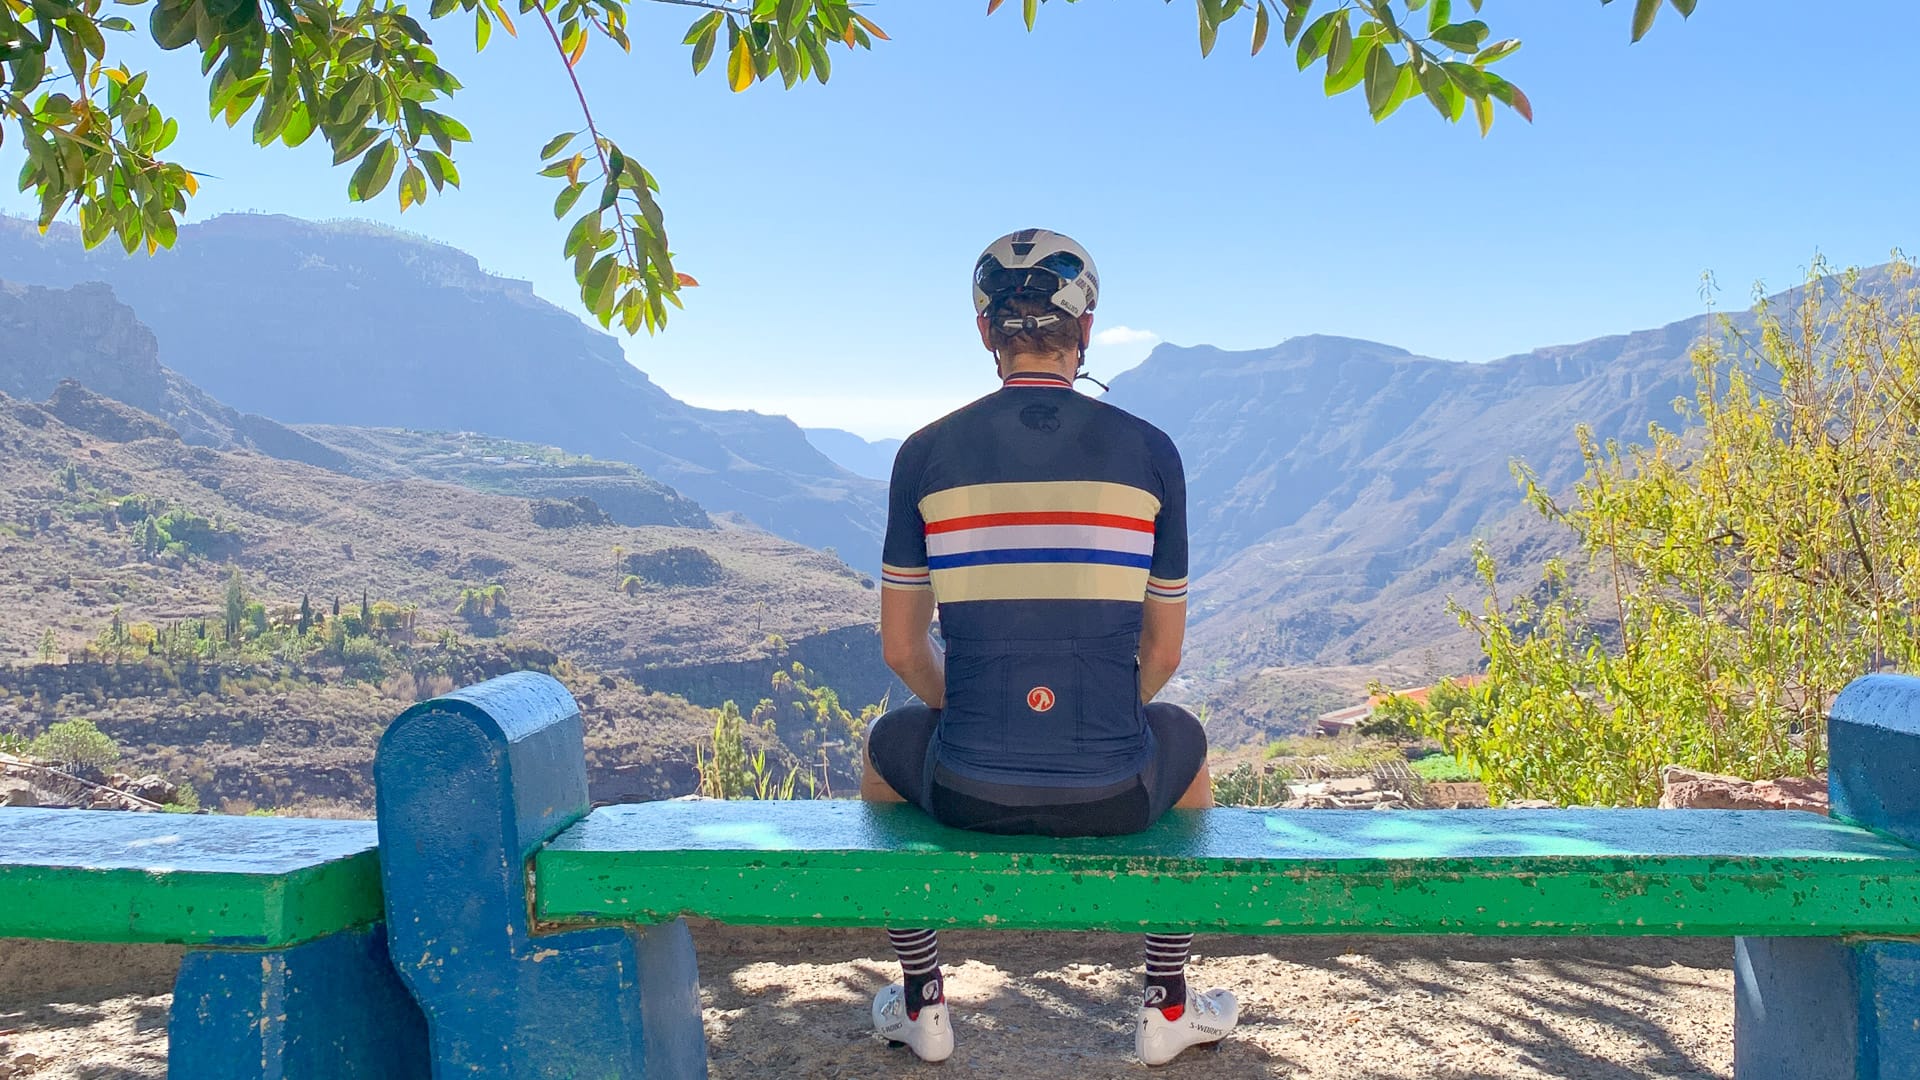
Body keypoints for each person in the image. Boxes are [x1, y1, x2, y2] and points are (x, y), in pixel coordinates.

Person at [861, 228, 1237, 1067]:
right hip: (1117, 789)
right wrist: (1097, 715)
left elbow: (900, 647)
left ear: (988, 332)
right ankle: (1166, 1004)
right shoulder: (1151, 452)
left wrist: (971, 712)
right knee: (1187, 742)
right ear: (1088, 331)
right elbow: (1164, 655)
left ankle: (921, 1002)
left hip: (965, 786)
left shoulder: (923, 454)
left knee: (882, 755)